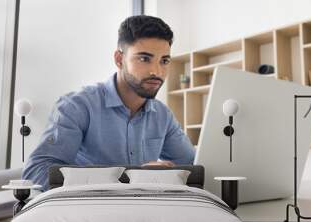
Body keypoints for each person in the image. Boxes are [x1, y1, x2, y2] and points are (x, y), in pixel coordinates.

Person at [22, 15, 195, 191]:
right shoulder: (77, 106)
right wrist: (132, 180)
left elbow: (191, 164)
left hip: (143, 210)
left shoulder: (163, 115)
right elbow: (36, 172)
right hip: (87, 210)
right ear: (119, 59)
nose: (156, 71)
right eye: (144, 59)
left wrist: (164, 174)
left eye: (164, 61)